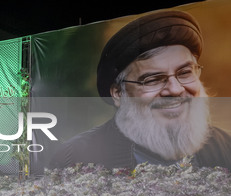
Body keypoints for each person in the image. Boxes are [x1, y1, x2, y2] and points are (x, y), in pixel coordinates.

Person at [49, 10, 231, 170]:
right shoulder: (74, 158)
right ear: (118, 93)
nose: (175, 90)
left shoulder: (225, 148)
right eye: (152, 80)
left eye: (185, 73)